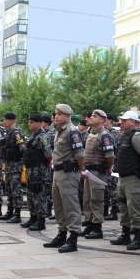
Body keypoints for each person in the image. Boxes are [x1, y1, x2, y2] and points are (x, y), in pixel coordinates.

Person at [43, 104, 85, 253]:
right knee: (59, 206)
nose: (56, 116)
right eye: (56, 114)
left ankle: (73, 238)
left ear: (68, 116)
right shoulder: (58, 131)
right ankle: (61, 234)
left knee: (70, 206)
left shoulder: (72, 131)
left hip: (68, 173)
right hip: (58, 172)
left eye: (60, 114)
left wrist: (80, 171)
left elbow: (79, 155)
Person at [110, 111, 140, 250]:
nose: (121, 122)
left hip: (134, 178)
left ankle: (138, 238)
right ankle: (125, 235)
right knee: (123, 207)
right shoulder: (125, 136)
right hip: (123, 177)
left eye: (125, 120)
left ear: (133, 122)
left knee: (135, 208)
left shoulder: (136, 136)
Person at [80, 110, 114, 239]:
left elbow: (110, 155)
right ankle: (89, 224)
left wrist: (109, 168)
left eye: (95, 116)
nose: (91, 118)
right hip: (89, 170)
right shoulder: (90, 134)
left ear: (102, 120)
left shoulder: (104, 135)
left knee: (96, 200)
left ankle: (97, 227)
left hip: (98, 171)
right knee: (87, 200)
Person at [21, 114, 53, 231]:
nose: (29, 124)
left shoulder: (42, 137)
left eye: (32, 122)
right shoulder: (33, 137)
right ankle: (33, 217)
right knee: (30, 194)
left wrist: (48, 163)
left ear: (39, 123)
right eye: (29, 122)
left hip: (39, 170)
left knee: (39, 194)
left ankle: (41, 220)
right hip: (31, 169)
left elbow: (48, 153)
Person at [0, 113, 26, 223]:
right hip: (8, 164)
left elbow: (22, 148)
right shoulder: (8, 133)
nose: (4, 121)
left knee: (16, 189)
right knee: (8, 189)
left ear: (12, 120)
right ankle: (10, 211)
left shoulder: (17, 133)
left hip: (15, 164)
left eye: (6, 119)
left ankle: (17, 214)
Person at [104, 112, 120, 221]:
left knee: (113, 188)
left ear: (109, 121)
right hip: (104, 164)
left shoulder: (113, 132)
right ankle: (104, 210)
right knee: (105, 188)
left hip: (113, 163)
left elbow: (115, 149)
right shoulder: (104, 132)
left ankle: (114, 211)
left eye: (105, 119)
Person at [42, 114, 55, 219]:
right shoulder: (42, 134)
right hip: (43, 165)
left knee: (49, 186)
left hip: (50, 164)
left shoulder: (51, 134)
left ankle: (48, 209)